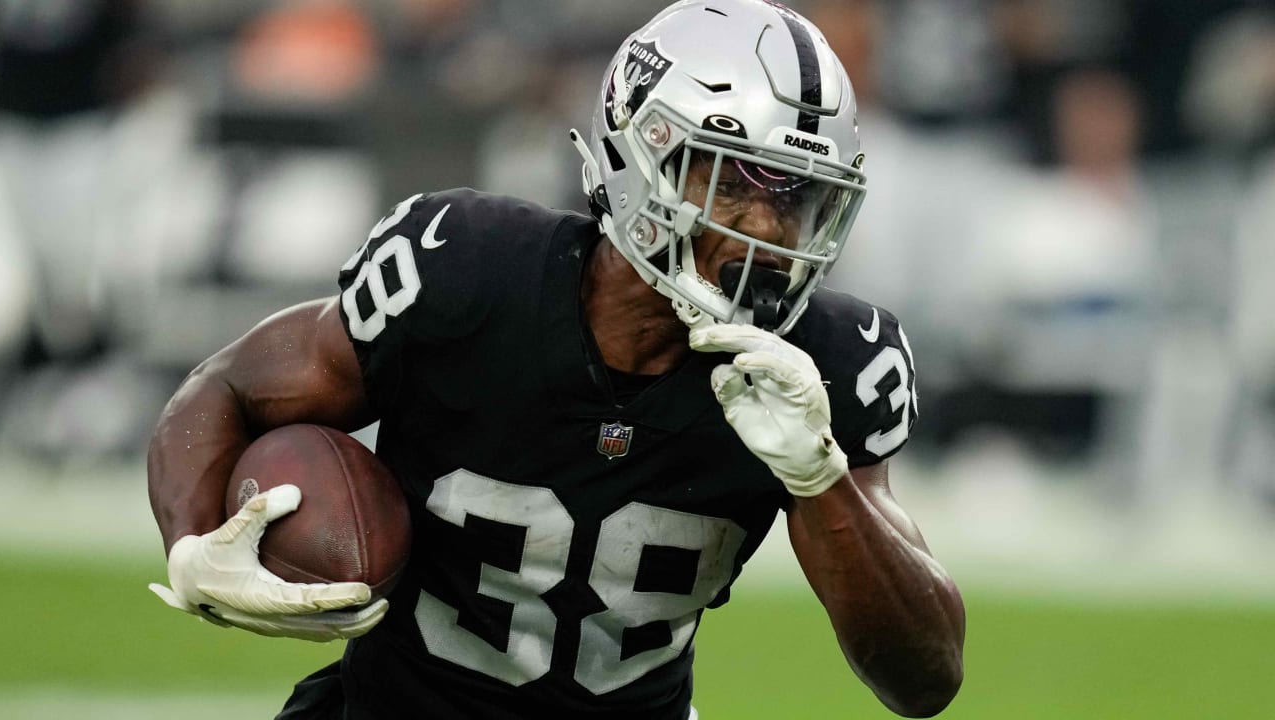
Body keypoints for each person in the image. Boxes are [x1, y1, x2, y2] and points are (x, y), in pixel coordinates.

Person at [147, 1, 966, 718]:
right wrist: (189, 543)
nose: (773, 233)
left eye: (797, 198)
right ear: (648, 156)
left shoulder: (824, 365)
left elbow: (925, 679)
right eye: (737, 183)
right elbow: (227, 387)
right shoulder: (464, 273)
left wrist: (818, 475)